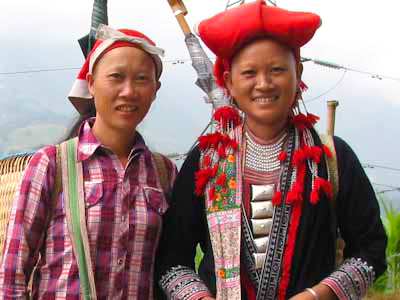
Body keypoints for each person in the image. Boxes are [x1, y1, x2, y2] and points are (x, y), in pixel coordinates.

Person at [155, 1, 387, 299]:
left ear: (298, 73)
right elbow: (172, 258)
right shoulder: (207, 160)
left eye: (277, 70)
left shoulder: (330, 157)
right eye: (249, 73)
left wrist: (318, 295)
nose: (263, 84)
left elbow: (371, 249)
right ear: (229, 82)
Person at [0, 24, 177, 299]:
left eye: (142, 79)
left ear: (155, 90)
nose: (129, 91)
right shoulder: (51, 165)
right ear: (92, 83)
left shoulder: (164, 173)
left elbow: (170, 265)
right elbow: (11, 277)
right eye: (116, 77)